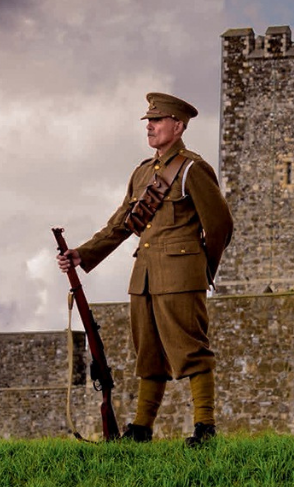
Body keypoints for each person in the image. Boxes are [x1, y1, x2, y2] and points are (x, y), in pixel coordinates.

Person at [58, 92, 233, 446]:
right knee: (148, 354)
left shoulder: (192, 169)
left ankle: (205, 426)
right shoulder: (142, 173)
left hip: (181, 276)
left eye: (157, 120)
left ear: (178, 126)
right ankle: (141, 428)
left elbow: (220, 226)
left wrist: (201, 269)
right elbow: (120, 224)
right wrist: (83, 255)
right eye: (148, 121)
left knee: (192, 351)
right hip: (144, 277)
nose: (150, 126)